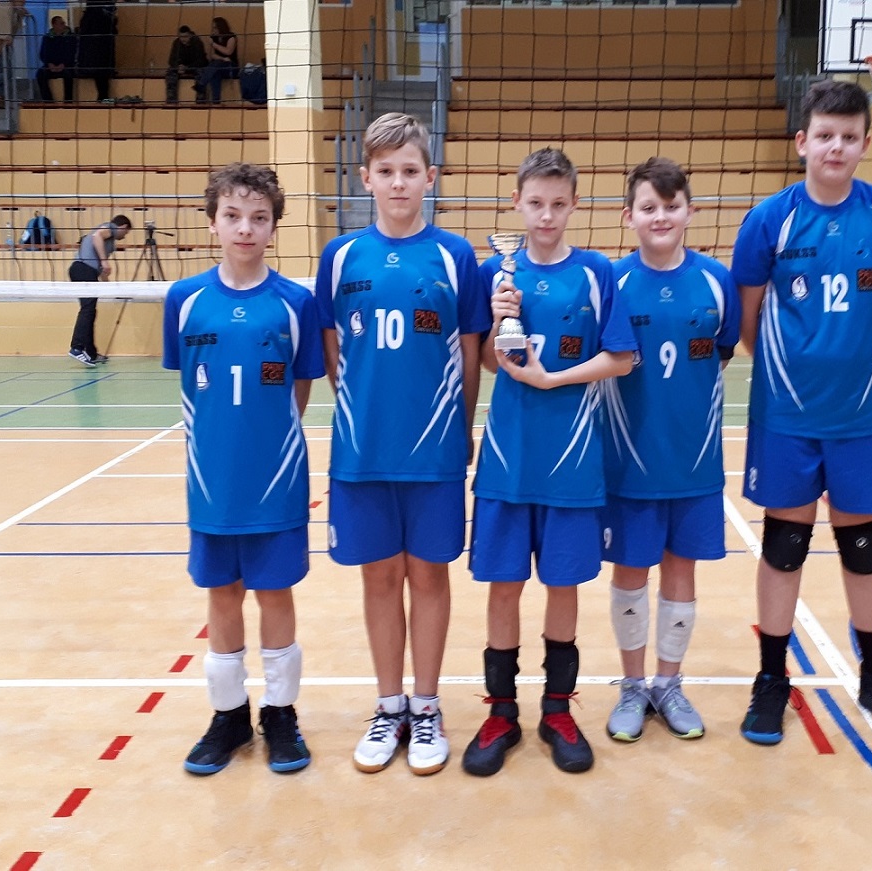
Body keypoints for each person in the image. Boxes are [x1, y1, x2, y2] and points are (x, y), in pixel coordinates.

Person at [731, 80, 872, 745]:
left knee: (863, 547)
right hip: (787, 413)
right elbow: (748, 318)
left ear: (865, 144)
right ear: (802, 142)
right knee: (784, 547)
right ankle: (771, 680)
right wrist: (792, 371)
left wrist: (856, 365)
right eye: (824, 135)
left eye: (848, 137)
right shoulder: (770, 220)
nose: (835, 147)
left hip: (861, 414)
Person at [314, 113, 489, 776]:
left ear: (430, 177)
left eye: (409, 171)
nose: (397, 183)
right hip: (363, 451)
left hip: (434, 449)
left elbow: (469, 352)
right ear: (365, 177)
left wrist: (460, 428)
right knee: (380, 576)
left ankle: (427, 705)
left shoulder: (455, 256)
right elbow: (334, 353)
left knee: (429, 575)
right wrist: (366, 412)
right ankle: (389, 705)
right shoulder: (340, 256)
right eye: (385, 171)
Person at [462, 147, 636, 777]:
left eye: (558, 204)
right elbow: (488, 361)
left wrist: (553, 379)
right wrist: (497, 323)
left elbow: (622, 358)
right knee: (504, 585)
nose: (545, 215)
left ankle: (557, 710)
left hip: (572, 461)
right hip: (508, 459)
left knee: (563, 585)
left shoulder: (595, 272)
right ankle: (501, 713)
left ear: (575, 205)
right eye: (535, 203)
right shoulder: (494, 271)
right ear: (516, 203)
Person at [163, 163, 325, 776]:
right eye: (232, 216)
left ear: (273, 227)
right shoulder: (185, 301)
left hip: (276, 479)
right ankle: (228, 715)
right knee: (222, 593)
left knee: (275, 593)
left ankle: (280, 715)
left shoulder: (295, 303)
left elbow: (299, 391)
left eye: (259, 217)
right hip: (212, 482)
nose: (245, 228)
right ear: (213, 223)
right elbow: (190, 386)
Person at [601, 156, 740, 743]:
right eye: (648, 207)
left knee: (682, 570)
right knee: (631, 571)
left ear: (690, 211)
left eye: (671, 205)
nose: (660, 216)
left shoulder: (716, 281)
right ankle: (633, 687)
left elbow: (721, 352)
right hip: (629, 461)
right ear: (628, 216)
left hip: (694, 460)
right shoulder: (612, 282)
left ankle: (669, 683)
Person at [67, 214, 131, 366]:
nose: (124, 236)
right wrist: (104, 261)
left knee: (90, 310)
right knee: (88, 309)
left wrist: (109, 288)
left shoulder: (109, 242)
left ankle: (90, 353)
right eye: (126, 232)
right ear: (122, 227)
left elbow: (102, 270)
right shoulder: (109, 228)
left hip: (86, 271)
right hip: (82, 269)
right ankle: (76, 347)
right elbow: (97, 236)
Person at [0, 0, 29, 104]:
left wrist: (21, 14)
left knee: (2, 70)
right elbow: (3, 22)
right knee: (7, 71)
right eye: (22, 1)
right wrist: (7, 36)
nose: (23, 3)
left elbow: (15, 24)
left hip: (4, 42)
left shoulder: (13, 9)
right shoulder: (5, 7)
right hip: (0, 41)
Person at [75, 0, 117, 103]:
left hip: (91, 57)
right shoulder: (104, 18)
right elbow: (113, 31)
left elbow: (82, 34)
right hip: (102, 55)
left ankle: (103, 98)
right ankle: (103, 99)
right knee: (102, 78)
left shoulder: (87, 17)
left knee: (101, 78)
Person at [194, 17, 238, 104]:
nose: (213, 30)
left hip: (231, 67)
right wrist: (223, 58)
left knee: (216, 65)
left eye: (215, 27)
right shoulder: (214, 37)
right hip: (219, 66)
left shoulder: (231, 37)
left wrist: (214, 45)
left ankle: (201, 84)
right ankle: (216, 101)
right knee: (215, 73)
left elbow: (228, 51)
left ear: (220, 27)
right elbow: (212, 55)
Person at [35, 16, 76, 103]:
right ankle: (48, 102)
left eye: (64, 23)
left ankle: (68, 102)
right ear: (54, 25)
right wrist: (49, 64)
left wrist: (64, 64)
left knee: (69, 75)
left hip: (66, 65)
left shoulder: (70, 37)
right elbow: (42, 54)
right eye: (61, 23)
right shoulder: (47, 38)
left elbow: (72, 53)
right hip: (51, 66)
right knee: (40, 74)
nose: (64, 25)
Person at [164, 25, 208, 104]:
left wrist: (187, 68)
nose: (183, 39)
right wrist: (178, 66)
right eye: (181, 37)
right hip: (181, 67)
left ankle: (201, 99)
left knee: (201, 72)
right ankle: (171, 100)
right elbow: (171, 60)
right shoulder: (177, 43)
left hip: (194, 66)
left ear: (190, 35)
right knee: (170, 72)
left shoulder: (197, 43)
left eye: (185, 36)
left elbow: (201, 61)